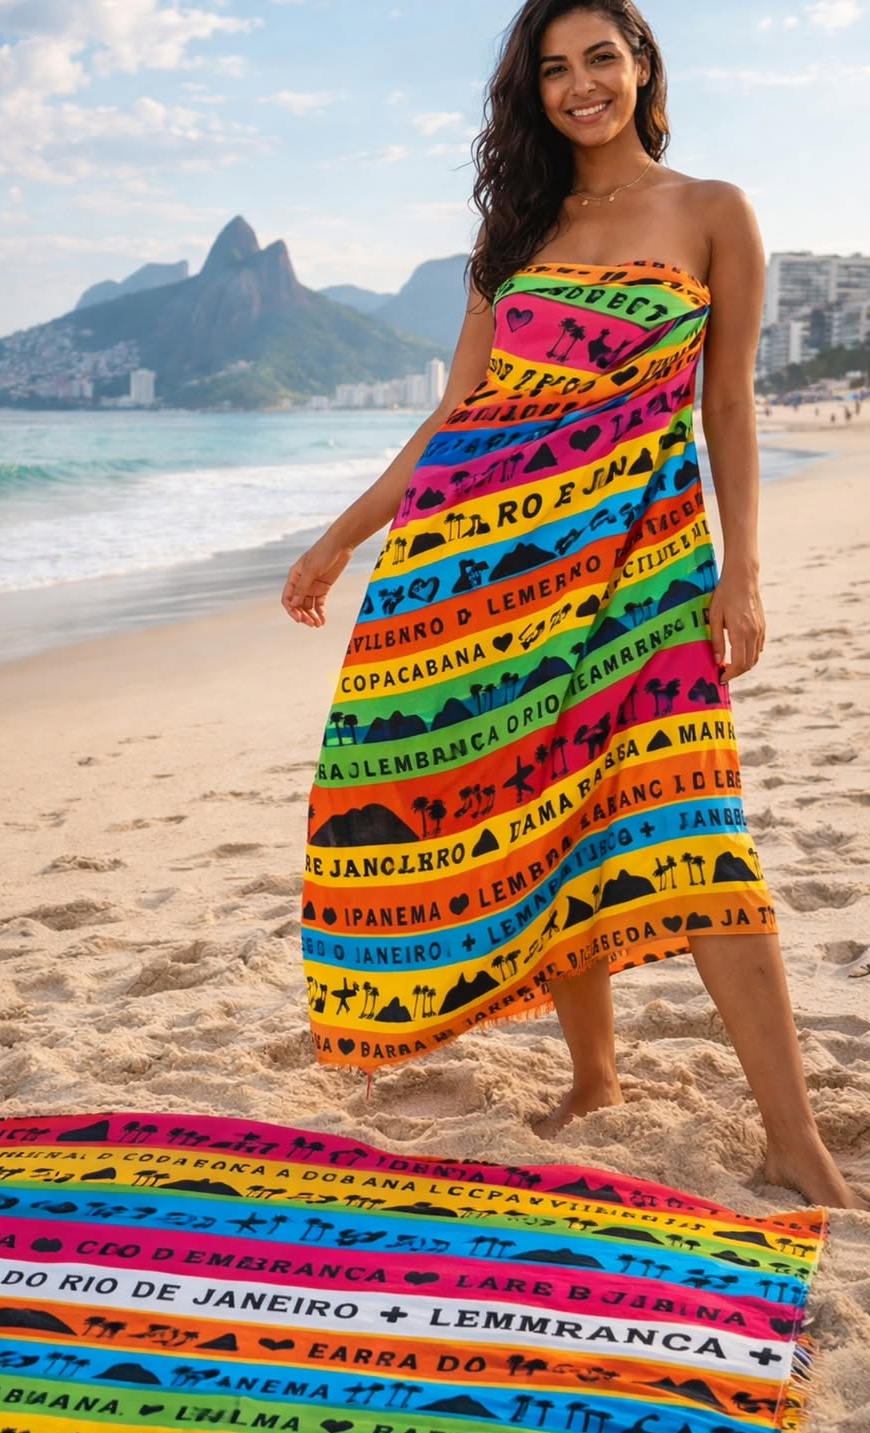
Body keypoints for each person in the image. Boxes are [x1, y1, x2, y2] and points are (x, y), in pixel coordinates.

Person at [282, 0, 856, 1208]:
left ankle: (794, 1140)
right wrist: (339, 539)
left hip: (647, 569)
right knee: (546, 817)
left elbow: (729, 405)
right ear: (533, 93)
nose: (580, 84)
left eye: (601, 57)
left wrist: (743, 571)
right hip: (480, 575)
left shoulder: (714, 210)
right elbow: (456, 415)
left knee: (698, 826)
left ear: (642, 66)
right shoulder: (518, 230)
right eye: (554, 69)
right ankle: (595, 1081)